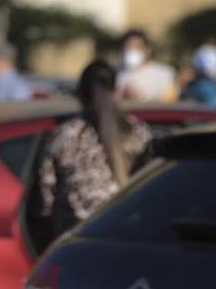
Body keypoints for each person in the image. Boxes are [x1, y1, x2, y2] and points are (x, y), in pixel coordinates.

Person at [35, 60, 152, 242]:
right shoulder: (138, 133)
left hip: (74, 238)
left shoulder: (64, 135)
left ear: (80, 94)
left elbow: (46, 197)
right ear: (116, 92)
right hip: (125, 233)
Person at [116, 29, 177, 102]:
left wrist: (140, 96)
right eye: (128, 48)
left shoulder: (165, 72)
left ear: (147, 50)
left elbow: (171, 101)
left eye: (137, 47)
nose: (132, 51)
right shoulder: (119, 74)